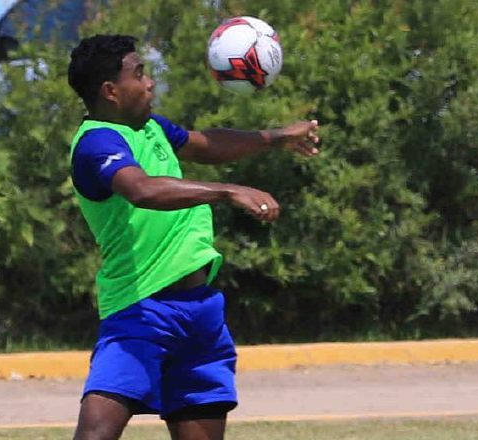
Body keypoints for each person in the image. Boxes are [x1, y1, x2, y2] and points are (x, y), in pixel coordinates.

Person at [67, 34, 320, 440]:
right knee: (96, 435)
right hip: (141, 308)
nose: (149, 83)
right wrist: (228, 190)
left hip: (199, 311)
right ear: (111, 91)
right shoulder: (98, 142)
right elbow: (143, 190)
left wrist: (276, 138)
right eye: (139, 73)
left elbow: (206, 144)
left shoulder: (150, 128)